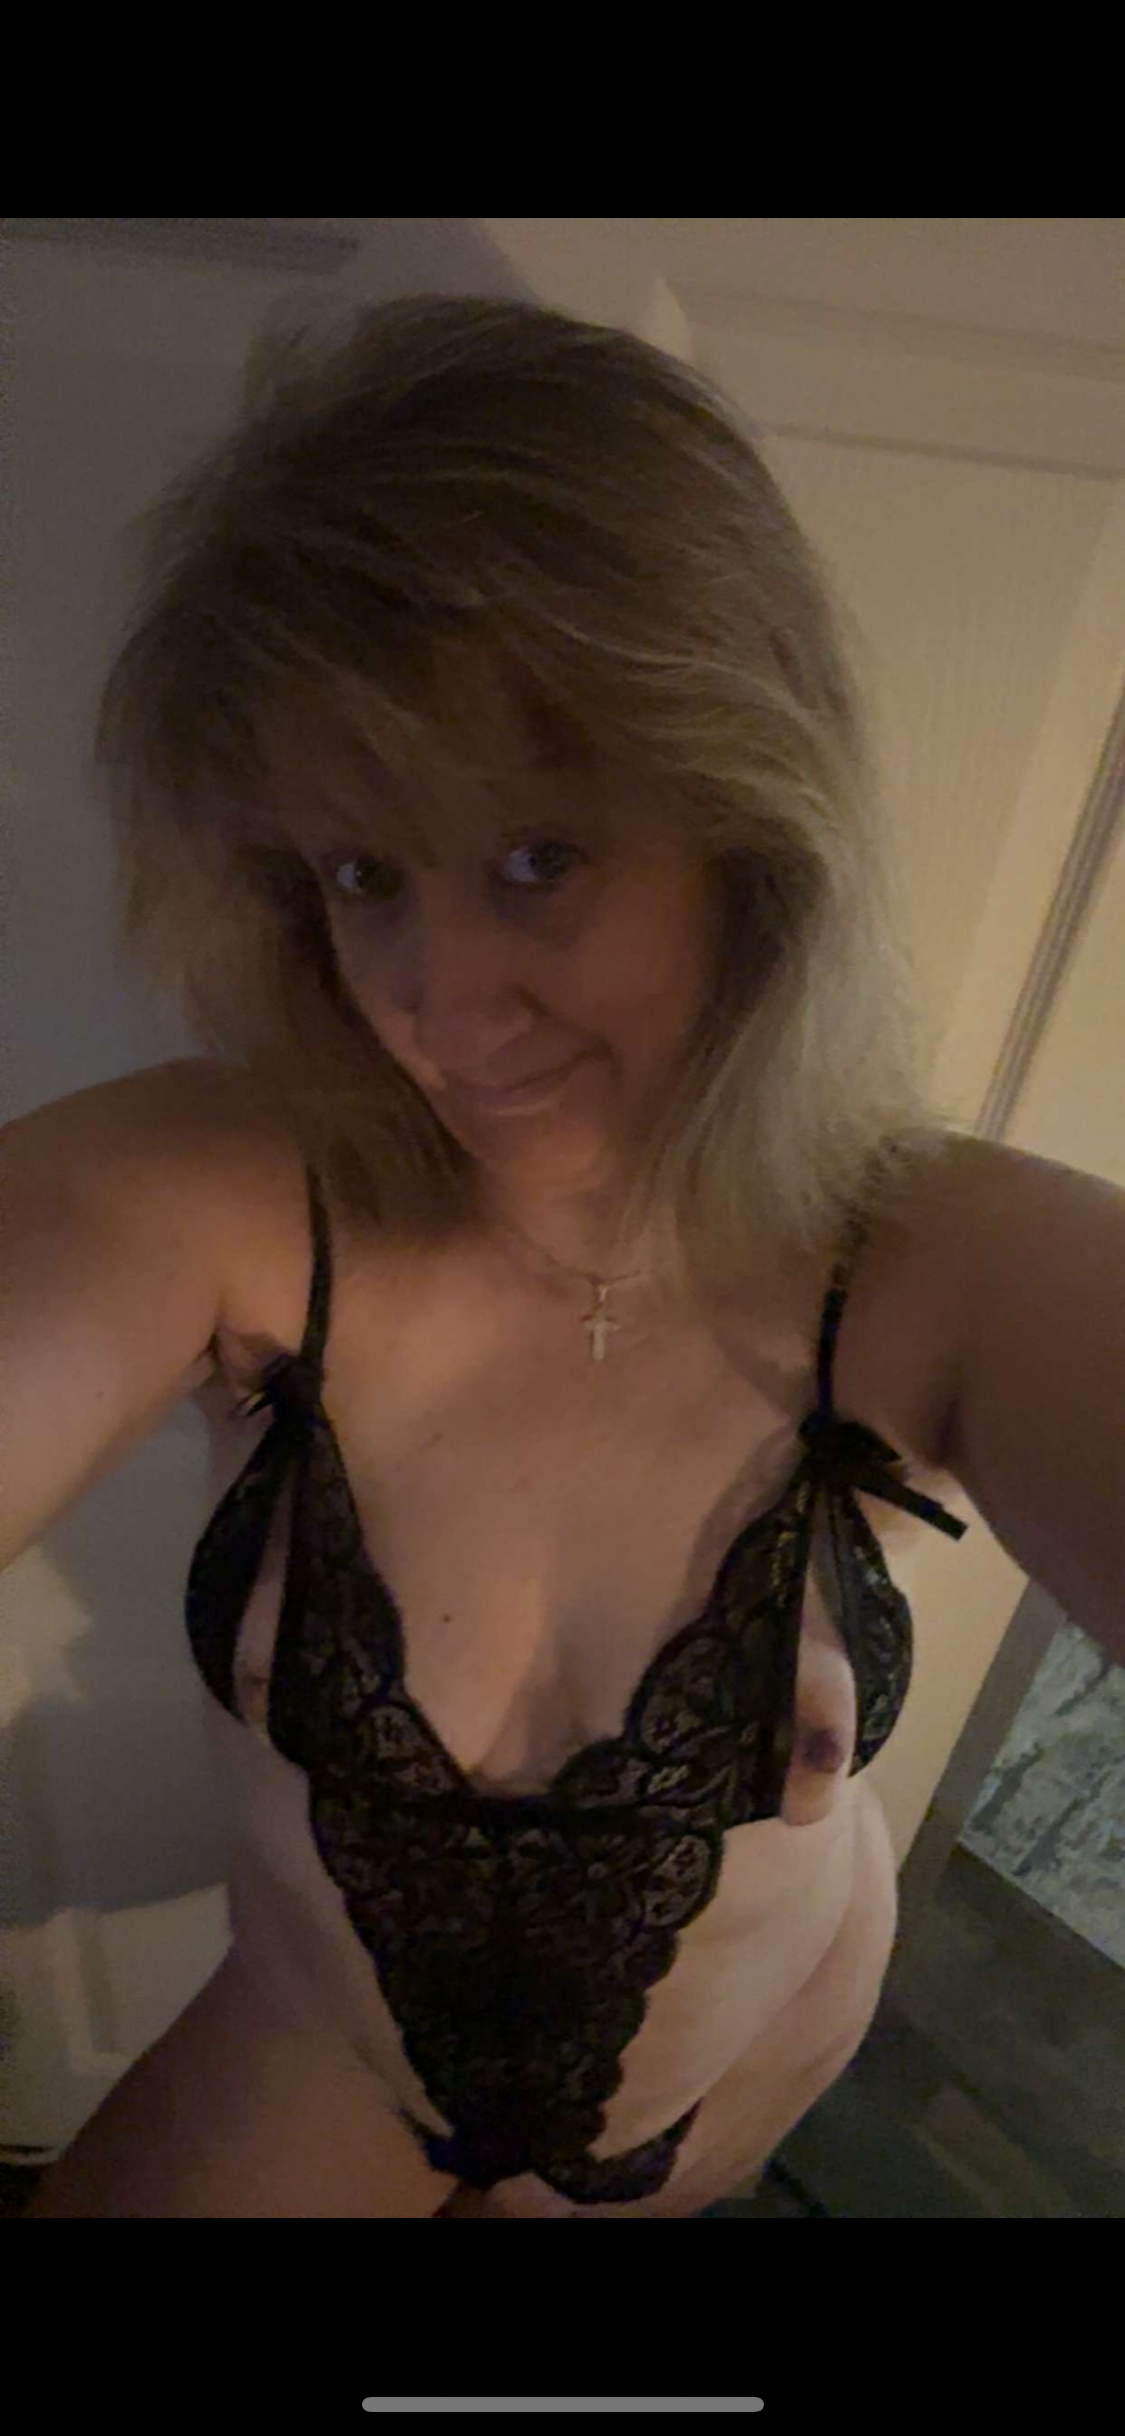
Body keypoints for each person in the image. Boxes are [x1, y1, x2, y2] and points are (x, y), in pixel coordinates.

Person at [8, 296, 1123, 2219]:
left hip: (739, 2076)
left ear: (744, 821)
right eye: (365, 876)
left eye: (538, 858)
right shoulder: (238, 1187)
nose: (440, 1007)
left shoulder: (934, 1255)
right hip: (327, 2044)